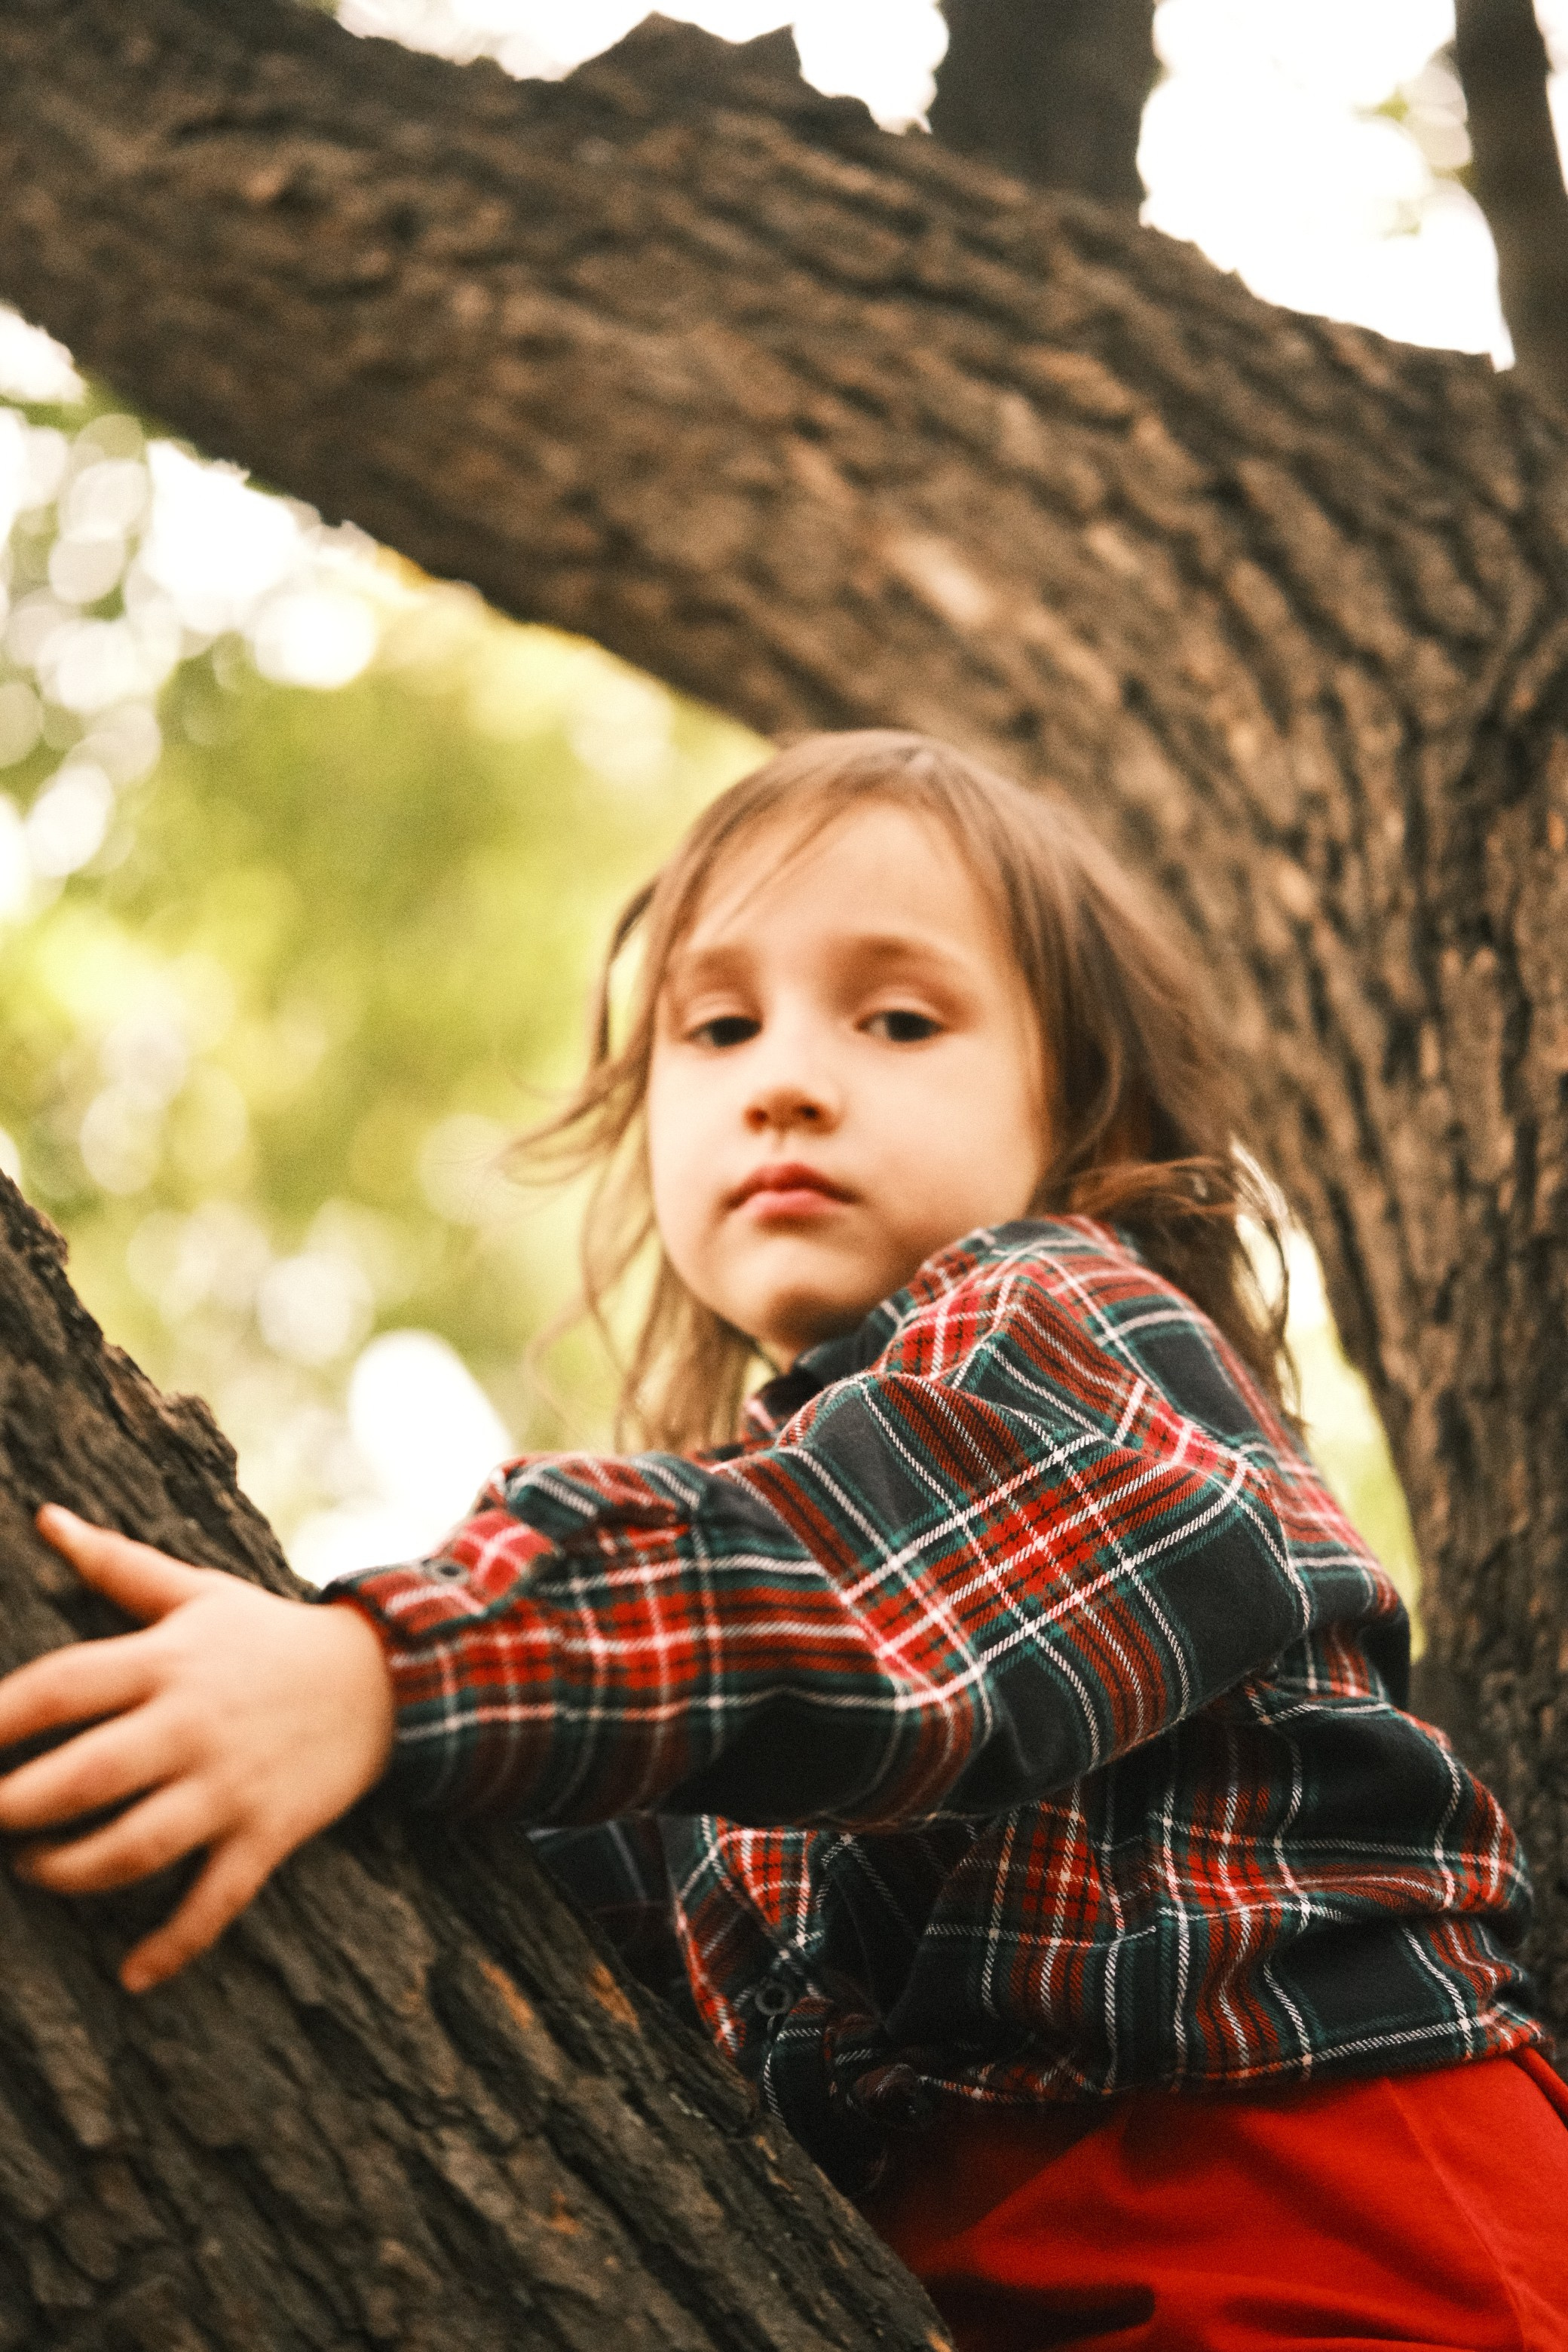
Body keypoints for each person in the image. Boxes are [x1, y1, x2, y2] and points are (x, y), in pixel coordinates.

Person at [1, 730, 1564, 2348]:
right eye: (719, 1026)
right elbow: (585, 1833)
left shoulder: (1080, 1340)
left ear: (1076, 1113)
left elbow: (831, 1597)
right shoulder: (723, 1640)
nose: (787, 1078)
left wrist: (382, 1668)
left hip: (1349, 2241)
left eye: (898, 1020)